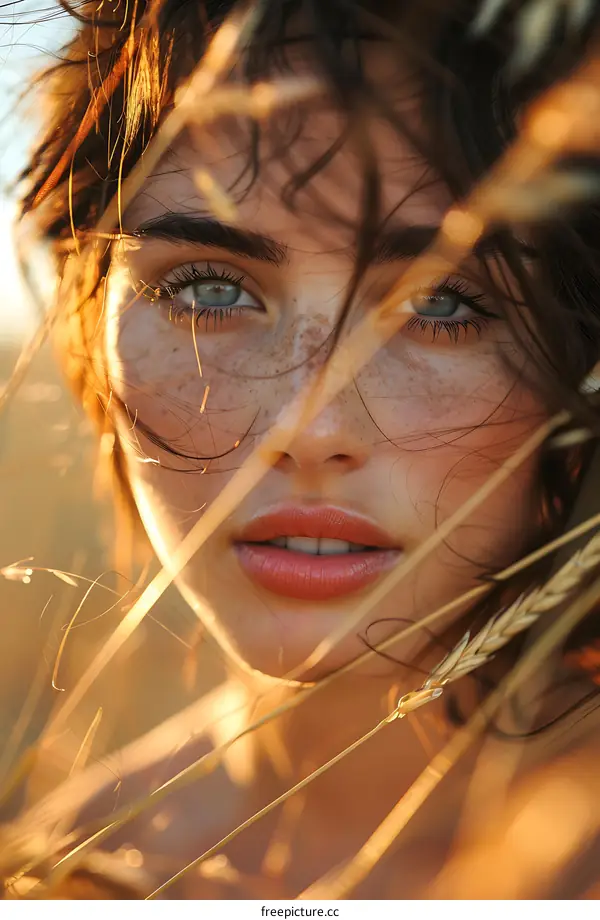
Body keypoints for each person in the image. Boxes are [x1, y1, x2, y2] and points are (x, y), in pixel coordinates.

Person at [10, 0, 600, 898]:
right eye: (208, 289)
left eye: (443, 305)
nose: (309, 426)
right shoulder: (57, 873)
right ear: (88, 323)